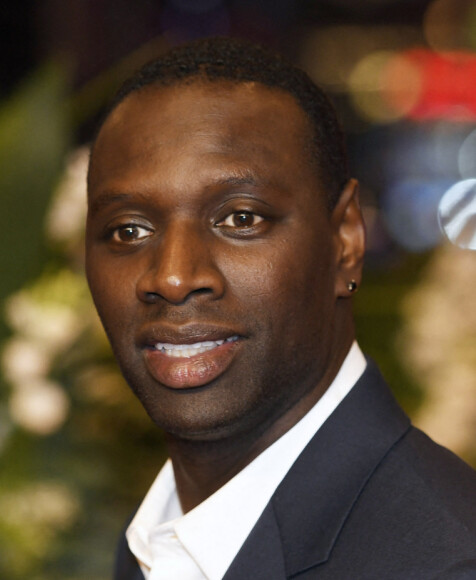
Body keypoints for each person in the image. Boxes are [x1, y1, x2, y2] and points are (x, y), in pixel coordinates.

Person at [84, 37, 476, 579]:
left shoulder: (445, 563)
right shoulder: (157, 541)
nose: (172, 276)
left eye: (241, 219)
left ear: (345, 244)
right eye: (129, 229)